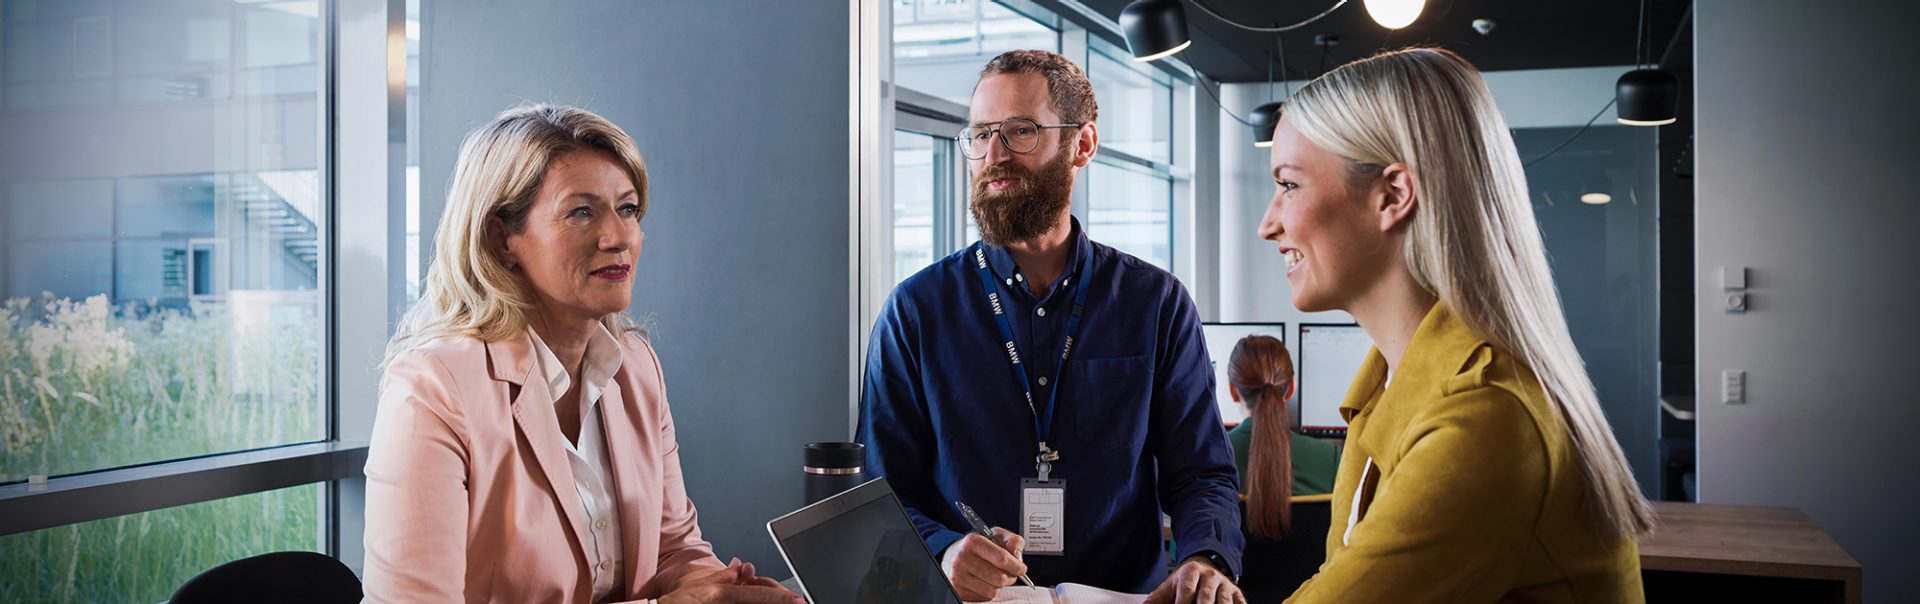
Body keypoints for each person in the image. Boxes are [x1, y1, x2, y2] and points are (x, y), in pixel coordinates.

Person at [1255, 48, 1651, 602]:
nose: (1267, 224)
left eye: (1289, 185)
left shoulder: (1485, 416)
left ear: (1392, 196)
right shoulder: (1391, 386)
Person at [362, 104, 800, 604]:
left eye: (628, 208)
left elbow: (673, 548)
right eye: (581, 212)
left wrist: (721, 590)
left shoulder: (636, 368)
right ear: (501, 239)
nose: (618, 238)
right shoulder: (434, 387)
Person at [858, 50, 1245, 604]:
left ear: (1082, 144)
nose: (993, 155)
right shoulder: (915, 311)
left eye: (1020, 131)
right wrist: (944, 549)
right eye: (981, 134)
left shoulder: (1156, 304)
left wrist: (1205, 559)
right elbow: (880, 489)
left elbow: (1202, 473)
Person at [1222, 335, 1339, 540]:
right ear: (1291, 388)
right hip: (1315, 573)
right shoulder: (1332, 458)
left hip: (1231, 573)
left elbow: (1185, 553)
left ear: (1233, 391)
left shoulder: (1210, 456)